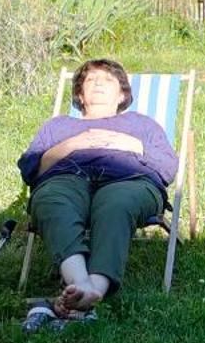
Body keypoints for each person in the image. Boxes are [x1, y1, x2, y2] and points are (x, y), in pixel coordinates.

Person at [18, 58, 178, 320]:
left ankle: (96, 287)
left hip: (130, 179)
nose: (98, 84)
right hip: (66, 178)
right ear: (80, 95)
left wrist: (131, 145)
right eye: (91, 80)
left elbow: (168, 167)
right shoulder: (58, 126)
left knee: (116, 203)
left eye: (107, 80)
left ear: (122, 94)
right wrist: (73, 144)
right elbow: (31, 169)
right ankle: (81, 283)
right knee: (52, 201)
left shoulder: (142, 124)